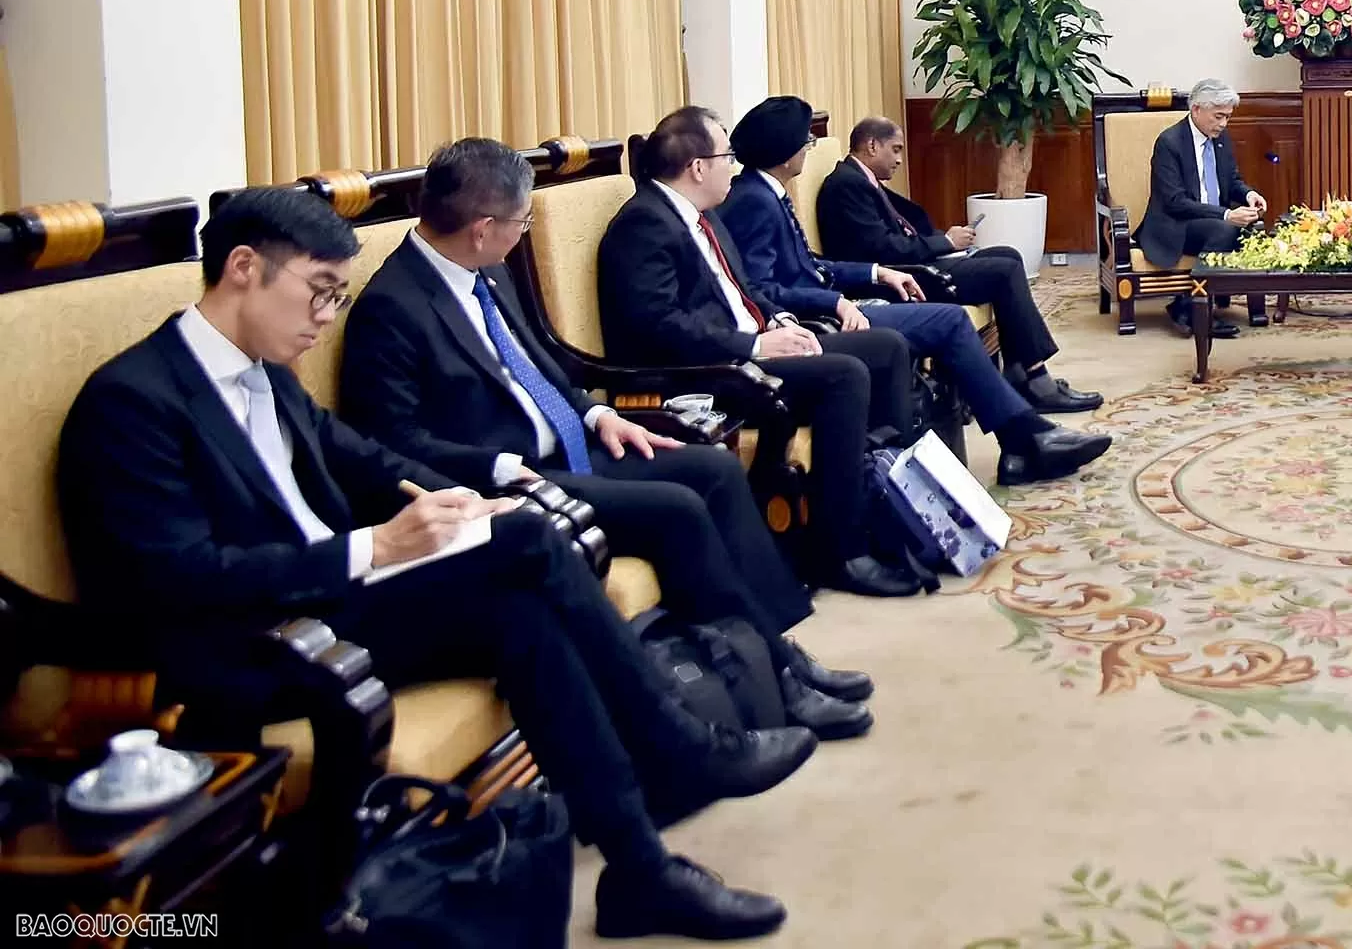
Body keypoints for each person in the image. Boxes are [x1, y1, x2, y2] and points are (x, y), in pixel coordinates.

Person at [56, 189, 811, 941]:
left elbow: (362, 455)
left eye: (338, 297)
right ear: (245, 268)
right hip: (249, 645)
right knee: (527, 545)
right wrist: (377, 547)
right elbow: (184, 579)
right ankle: (678, 753)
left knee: (521, 602)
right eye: (319, 294)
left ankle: (641, 869)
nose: (327, 318)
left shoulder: (268, 371)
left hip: (331, 604)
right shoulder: (135, 401)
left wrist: (458, 500)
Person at [338, 138, 875, 741]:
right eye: (521, 223)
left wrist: (599, 417)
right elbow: (395, 440)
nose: (525, 233)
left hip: (574, 446)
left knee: (711, 470)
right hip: (515, 484)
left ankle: (775, 653)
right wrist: (504, 466)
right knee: (676, 509)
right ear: (484, 228)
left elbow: (543, 366)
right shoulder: (392, 308)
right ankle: (771, 687)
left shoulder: (481, 269)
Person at [597, 107, 921, 599]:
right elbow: (658, 326)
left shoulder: (701, 216)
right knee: (845, 375)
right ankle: (842, 551)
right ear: (697, 167)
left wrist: (779, 319)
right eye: (726, 156)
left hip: (750, 346)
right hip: (701, 372)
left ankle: (881, 494)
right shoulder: (644, 225)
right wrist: (753, 344)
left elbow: (743, 289)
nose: (735, 165)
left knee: (884, 345)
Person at [717, 96, 1110, 488]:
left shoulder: (764, 192)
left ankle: (1023, 441)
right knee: (950, 319)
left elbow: (809, 264)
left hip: (836, 302)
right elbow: (762, 289)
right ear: (785, 150)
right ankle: (1026, 437)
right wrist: (833, 301)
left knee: (960, 307)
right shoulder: (755, 200)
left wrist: (877, 273)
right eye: (806, 139)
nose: (809, 147)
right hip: (818, 320)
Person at [817, 115, 1091, 408]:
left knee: (1007, 255)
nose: (899, 160)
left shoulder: (862, 179)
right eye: (895, 149)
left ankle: (1018, 372)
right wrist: (945, 243)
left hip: (910, 268)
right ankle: (1035, 378)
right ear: (872, 145)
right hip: (899, 279)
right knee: (1004, 270)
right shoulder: (847, 185)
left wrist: (945, 243)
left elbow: (901, 232)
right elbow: (883, 249)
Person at [1138, 79, 1270, 338]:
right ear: (1196, 109)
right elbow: (1174, 202)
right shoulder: (1169, 142)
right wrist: (1227, 215)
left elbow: (1231, 180)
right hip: (1174, 224)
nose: (1223, 123)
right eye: (1218, 116)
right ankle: (1196, 311)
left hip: (1208, 222)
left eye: (1228, 117)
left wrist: (1249, 194)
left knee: (1248, 230)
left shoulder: (1221, 139)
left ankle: (1186, 306)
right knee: (1224, 230)